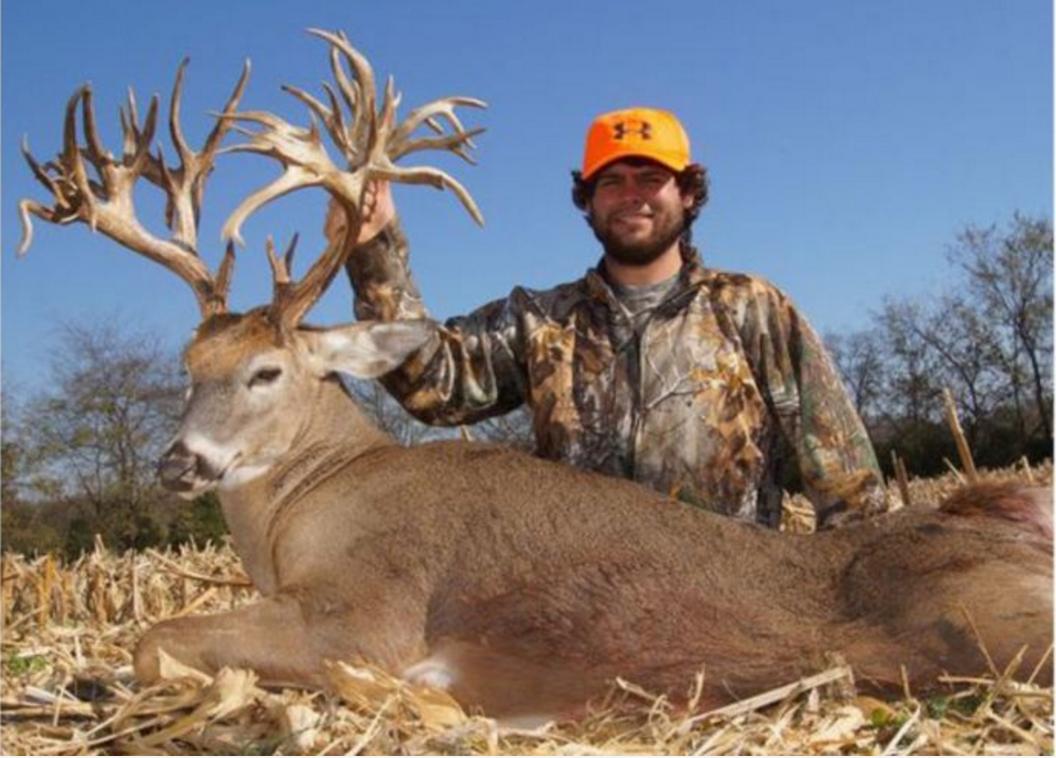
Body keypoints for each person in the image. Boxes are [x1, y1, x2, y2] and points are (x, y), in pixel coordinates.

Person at [339, 107, 886, 528]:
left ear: (689, 193)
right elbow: (435, 385)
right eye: (611, 181)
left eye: (651, 178)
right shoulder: (540, 322)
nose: (632, 196)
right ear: (588, 200)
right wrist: (373, 251)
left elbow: (852, 490)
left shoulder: (754, 310)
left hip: (731, 615)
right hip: (583, 619)